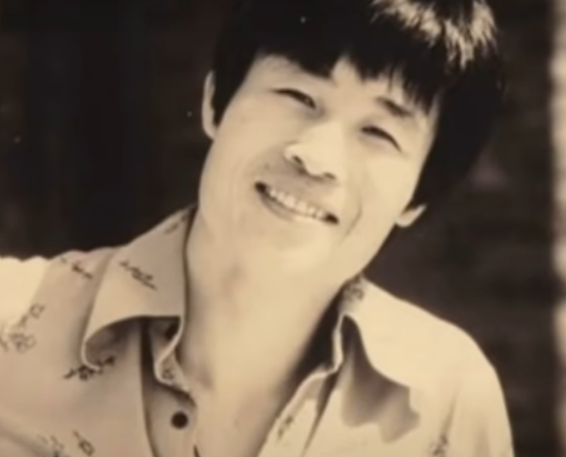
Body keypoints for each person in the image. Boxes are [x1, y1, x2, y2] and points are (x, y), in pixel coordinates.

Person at [0, 0, 514, 456]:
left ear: (418, 196)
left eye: (378, 132)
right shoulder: (11, 321)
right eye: (298, 95)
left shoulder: (446, 397)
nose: (316, 157)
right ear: (214, 103)